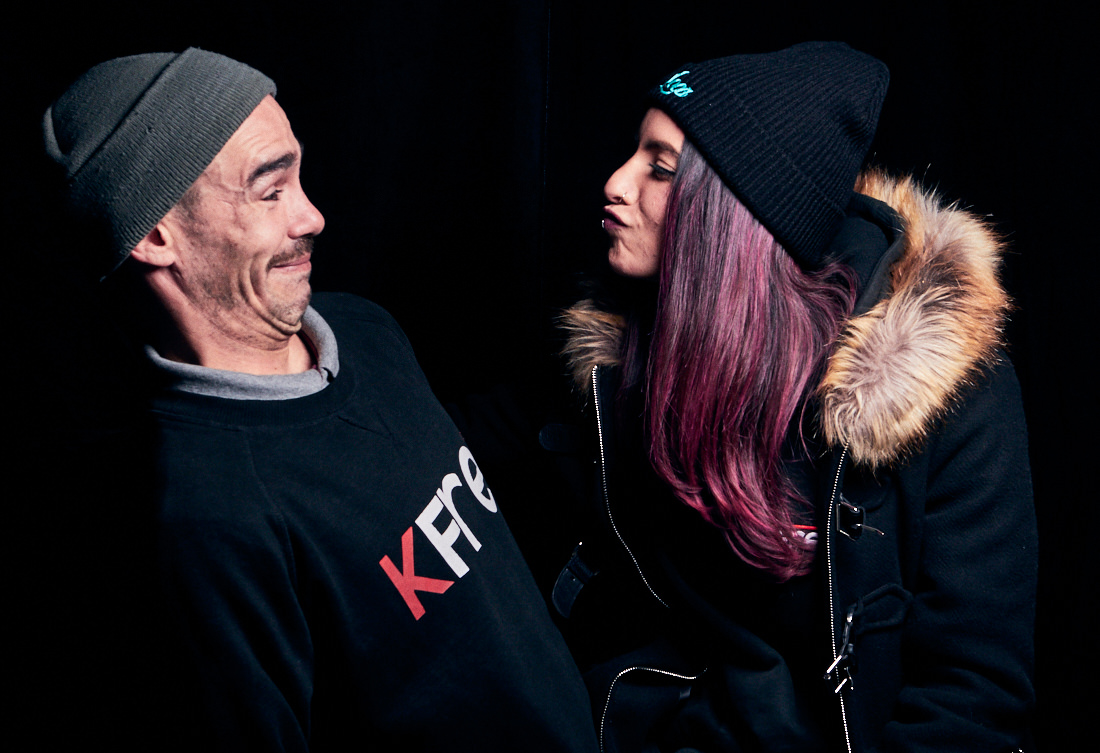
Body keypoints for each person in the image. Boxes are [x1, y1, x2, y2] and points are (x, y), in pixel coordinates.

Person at [42, 48, 599, 751]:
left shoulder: (362, 327)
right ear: (157, 235)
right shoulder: (206, 518)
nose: (313, 216)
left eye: (298, 178)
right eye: (270, 192)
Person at [541, 42, 1035, 752]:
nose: (615, 183)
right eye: (633, 154)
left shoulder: (955, 395)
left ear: (734, 215)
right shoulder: (626, 357)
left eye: (660, 168)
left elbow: (974, 696)